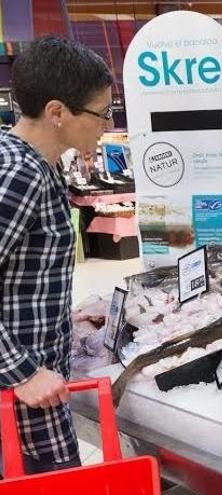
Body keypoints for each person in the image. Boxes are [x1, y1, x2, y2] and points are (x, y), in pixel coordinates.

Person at [0, 36, 112, 474]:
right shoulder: (19, 174)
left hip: (36, 387)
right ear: (57, 113)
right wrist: (23, 373)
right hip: (21, 401)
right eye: (101, 113)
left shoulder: (35, 165)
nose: (106, 123)